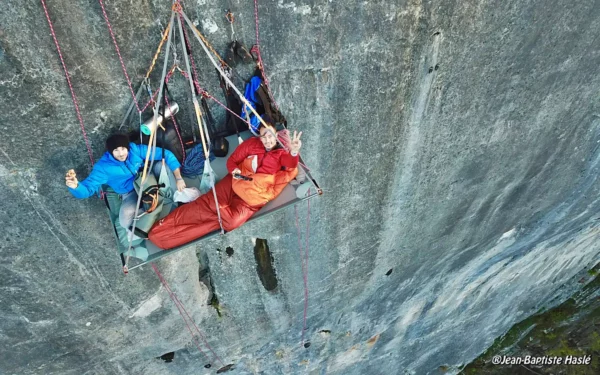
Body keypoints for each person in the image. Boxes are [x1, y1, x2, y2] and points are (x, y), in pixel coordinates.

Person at [148, 120, 303, 249]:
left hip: (250, 198)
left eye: (270, 136)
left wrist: (294, 152)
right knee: (206, 204)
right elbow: (232, 161)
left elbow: (290, 164)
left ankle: (169, 236)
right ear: (260, 137)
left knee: (231, 222)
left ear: (276, 136)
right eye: (264, 136)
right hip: (235, 182)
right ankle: (162, 228)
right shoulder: (251, 145)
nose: (268, 140)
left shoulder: (281, 154)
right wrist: (234, 170)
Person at [65, 133, 186, 237]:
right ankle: (152, 209)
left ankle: (177, 196)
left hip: (147, 179)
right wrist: (76, 186)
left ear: (128, 147)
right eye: (116, 150)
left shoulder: (135, 150)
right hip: (130, 192)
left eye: (123, 148)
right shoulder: (103, 168)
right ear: (110, 152)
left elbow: (165, 154)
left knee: (162, 166)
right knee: (124, 221)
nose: (121, 153)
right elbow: (87, 190)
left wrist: (179, 178)